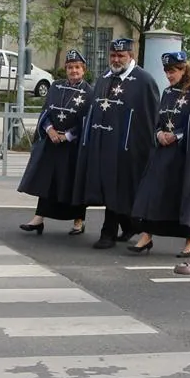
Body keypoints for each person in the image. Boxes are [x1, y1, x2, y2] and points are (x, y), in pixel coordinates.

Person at [72, 37, 161, 249]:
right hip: (103, 145)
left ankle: (108, 233)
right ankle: (131, 225)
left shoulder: (144, 81)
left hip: (128, 147)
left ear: (131, 56)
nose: (116, 59)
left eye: (121, 55)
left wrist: (145, 149)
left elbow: (150, 118)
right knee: (108, 189)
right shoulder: (105, 77)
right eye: (113, 55)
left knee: (120, 189)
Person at [128, 52, 190, 257]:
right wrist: (159, 134)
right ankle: (147, 235)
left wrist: (177, 136)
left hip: (182, 156)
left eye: (172, 71)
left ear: (183, 70)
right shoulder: (167, 93)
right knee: (154, 193)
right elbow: (158, 121)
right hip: (163, 154)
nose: (169, 75)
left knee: (182, 195)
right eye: (166, 71)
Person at [18, 50, 92, 236]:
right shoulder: (56, 87)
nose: (73, 71)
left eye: (77, 67)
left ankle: (78, 221)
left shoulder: (89, 92)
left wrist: (67, 135)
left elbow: (87, 121)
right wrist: (50, 129)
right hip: (52, 142)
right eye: (69, 67)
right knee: (47, 182)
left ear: (83, 70)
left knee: (73, 183)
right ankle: (39, 218)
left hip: (73, 146)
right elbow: (45, 111)